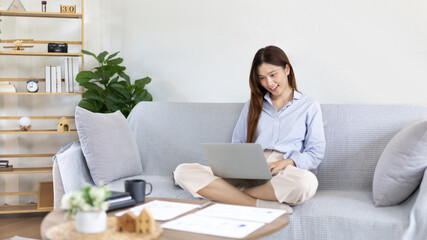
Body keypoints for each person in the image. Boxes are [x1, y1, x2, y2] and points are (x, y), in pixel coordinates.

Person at [174, 45, 325, 211]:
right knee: (183, 171)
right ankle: (256, 203)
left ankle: (229, 194)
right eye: (262, 78)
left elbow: (315, 152)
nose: (269, 83)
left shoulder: (309, 106)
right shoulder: (253, 105)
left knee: (306, 183)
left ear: (287, 69)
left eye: (273, 75)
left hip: (284, 172)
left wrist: (287, 162)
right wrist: (237, 165)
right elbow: (238, 143)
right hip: (250, 168)